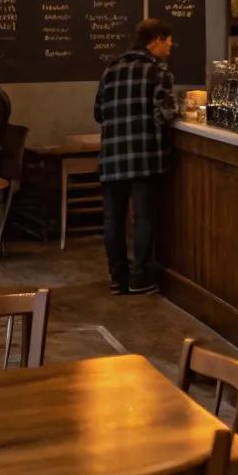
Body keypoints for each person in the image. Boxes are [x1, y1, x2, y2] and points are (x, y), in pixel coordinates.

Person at [94, 18, 177, 296]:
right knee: (143, 218)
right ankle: (141, 279)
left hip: (112, 157)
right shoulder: (158, 72)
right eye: (168, 41)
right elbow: (164, 114)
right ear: (155, 39)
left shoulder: (111, 69)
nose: (170, 47)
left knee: (113, 220)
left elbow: (98, 113)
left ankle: (118, 278)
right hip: (144, 157)